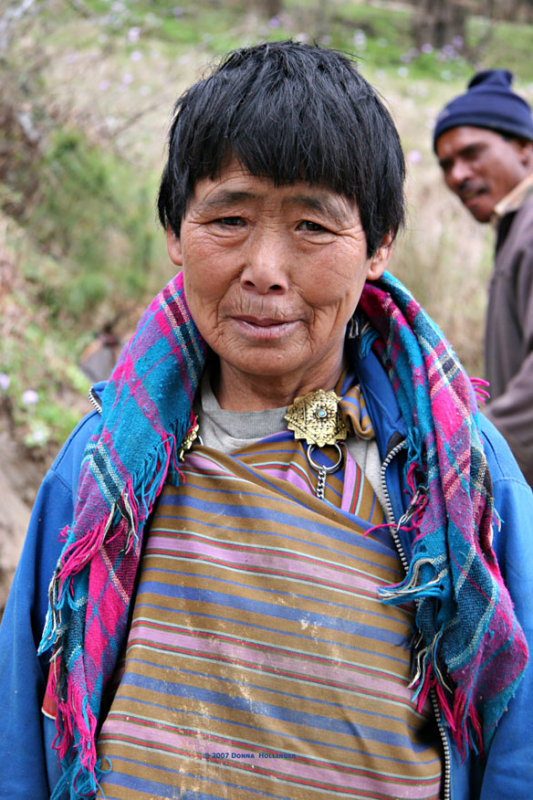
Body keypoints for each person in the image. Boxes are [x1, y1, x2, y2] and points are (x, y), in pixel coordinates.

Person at [1, 41, 532, 800]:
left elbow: (519, 733)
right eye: (229, 218)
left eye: (313, 227)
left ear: (377, 246)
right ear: (175, 232)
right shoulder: (107, 466)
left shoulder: (453, 474)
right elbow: (23, 727)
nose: (265, 269)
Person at [433, 69, 533, 487]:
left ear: (525, 148)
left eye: (472, 153)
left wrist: (470, 458)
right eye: (446, 165)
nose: (457, 175)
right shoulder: (516, 229)